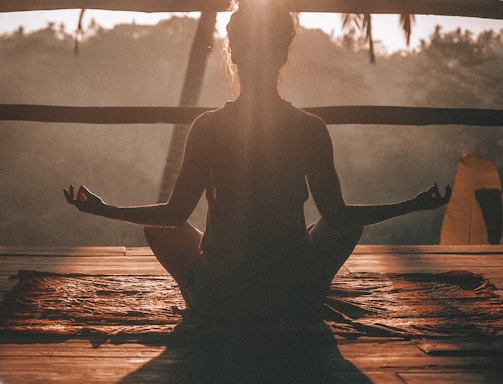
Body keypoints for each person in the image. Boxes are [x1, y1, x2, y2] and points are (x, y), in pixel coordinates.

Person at [64, 0, 450, 326]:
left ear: (232, 52)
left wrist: (104, 209)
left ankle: (205, 301)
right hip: (292, 300)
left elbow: (174, 213)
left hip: (223, 300)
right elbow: (339, 214)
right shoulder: (309, 128)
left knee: (160, 230)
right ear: (283, 53)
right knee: (343, 226)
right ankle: (306, 292)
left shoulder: (208, 127)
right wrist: (413, 204)